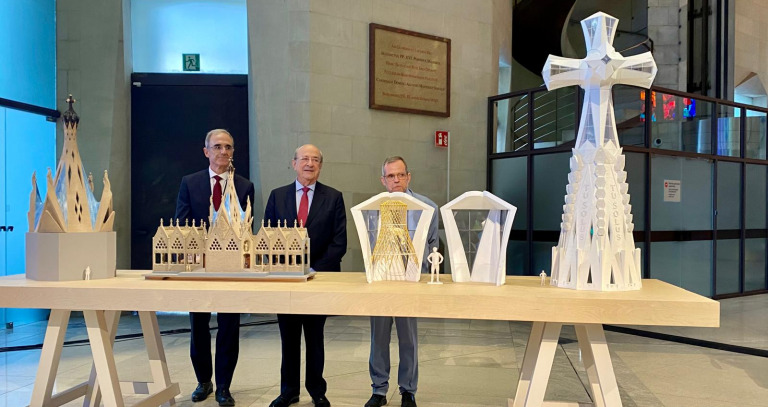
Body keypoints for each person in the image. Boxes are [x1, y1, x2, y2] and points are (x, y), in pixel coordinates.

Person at [175, 129, 254, 407]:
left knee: (229, 328)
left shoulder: (244, 185)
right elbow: (182, 224)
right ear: (206, 151)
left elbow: (247, 229)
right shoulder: (190, 182)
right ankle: (203, 381)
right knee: (198, 326)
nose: (223, 151)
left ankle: (224, 386)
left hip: (231, 269)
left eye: (228, 147)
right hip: (200, 268)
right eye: (217, 146)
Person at [265, 144, 347, 407]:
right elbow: (267, 237)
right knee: (288, 338)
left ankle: (316, 390)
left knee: (315, 338)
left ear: (320, 166)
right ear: (294, 163)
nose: (309, 164)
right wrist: (286, 269)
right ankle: (288, 391)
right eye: (304, 159)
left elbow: (339, 242)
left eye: (315, 160)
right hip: (286, 279)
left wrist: (313, 270)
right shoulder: (277, 196)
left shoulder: (333, 197)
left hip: (319, 279)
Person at [365, 156, 438, 407]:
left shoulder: (427, 207)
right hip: (382, 282)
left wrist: (420, 274)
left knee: (408, 339)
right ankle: (379, 390)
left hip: (410, 283)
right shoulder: (373, 208)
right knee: (378, 338)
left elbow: (433, 245)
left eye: (400, 175)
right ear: (383, 180)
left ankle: (408, 390)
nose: (396, 180)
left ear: (409, 176)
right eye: (390, 176)